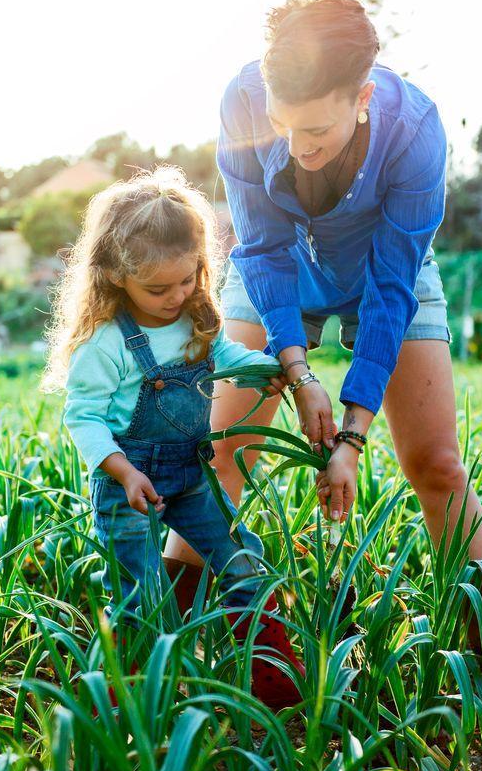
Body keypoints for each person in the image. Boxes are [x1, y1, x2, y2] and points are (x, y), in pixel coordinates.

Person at [162, 0, 482, 761]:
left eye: (316, 130)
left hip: (384, 271)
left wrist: (351, 431)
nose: (296, 145)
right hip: (277, 270)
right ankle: (159, 661)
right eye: (284, 126)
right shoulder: (243, 100)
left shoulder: (415, 129)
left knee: (435, 463)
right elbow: (261, 248)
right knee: (219, 452)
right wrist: (297, 370)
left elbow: (392, 287)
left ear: (362, 97)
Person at [41, 166, 304, 710]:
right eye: (157, 288)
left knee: (241, 556)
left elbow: (225, 355)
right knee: (139, 592)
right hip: (128, 485)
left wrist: (265, 370)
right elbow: (84, 418)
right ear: (116, 276)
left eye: (187, 280)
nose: (176, 296)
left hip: (189, 475)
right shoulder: (105, 343)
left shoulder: (194, 318)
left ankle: (272, 674)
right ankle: (131, 697)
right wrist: (122, 471)